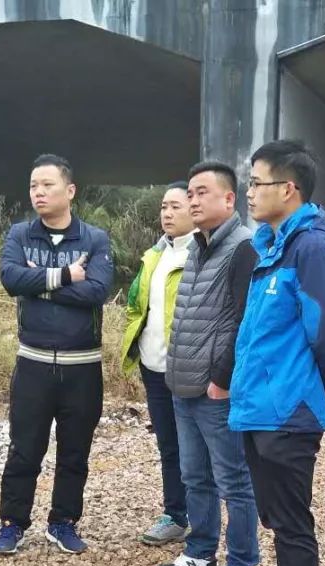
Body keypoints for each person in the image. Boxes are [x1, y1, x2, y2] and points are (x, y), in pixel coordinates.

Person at [229, 140, 325, 566]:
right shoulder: (270, 247)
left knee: (293, 523)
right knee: (276, 519)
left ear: (289, 189)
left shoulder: (313, 248)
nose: (249, 192)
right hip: (258, 408)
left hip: (288, 413)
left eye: (257, 183)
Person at [0, 154, 114, 555]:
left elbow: (97, 291)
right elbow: (11, 278)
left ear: (70, 190)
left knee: (75, 451)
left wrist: (39, 285)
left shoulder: (94, 239)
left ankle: (63, 521)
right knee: (24, 448)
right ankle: (12, 523)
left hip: (82, 365)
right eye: (33, 186)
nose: (38, 192)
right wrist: (62, 276)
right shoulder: (20, 234)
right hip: (34, 363)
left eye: (47, 185)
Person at [157, 161, 261, 566]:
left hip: (216, 390)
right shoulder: (198, 246)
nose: (193, 201)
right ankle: (201, 552)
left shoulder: (243, 248)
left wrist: (223, 378)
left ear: (229, 199)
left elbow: (243, 321)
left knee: (234, 480)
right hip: (183, 384)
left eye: (202, 192)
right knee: (194, 476)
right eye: (191, 193)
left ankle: (241, 565)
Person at [119, 181, 195, 545]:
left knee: (196, 447)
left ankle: (203, 517)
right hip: (153, 366)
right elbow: (138, 303)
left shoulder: (201, 254)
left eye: (176, 206)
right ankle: (175, 514)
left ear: (194, 209)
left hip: (188, 367)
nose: (167, 213)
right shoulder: (155, 254)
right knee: (168, 444)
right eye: (164, 206)